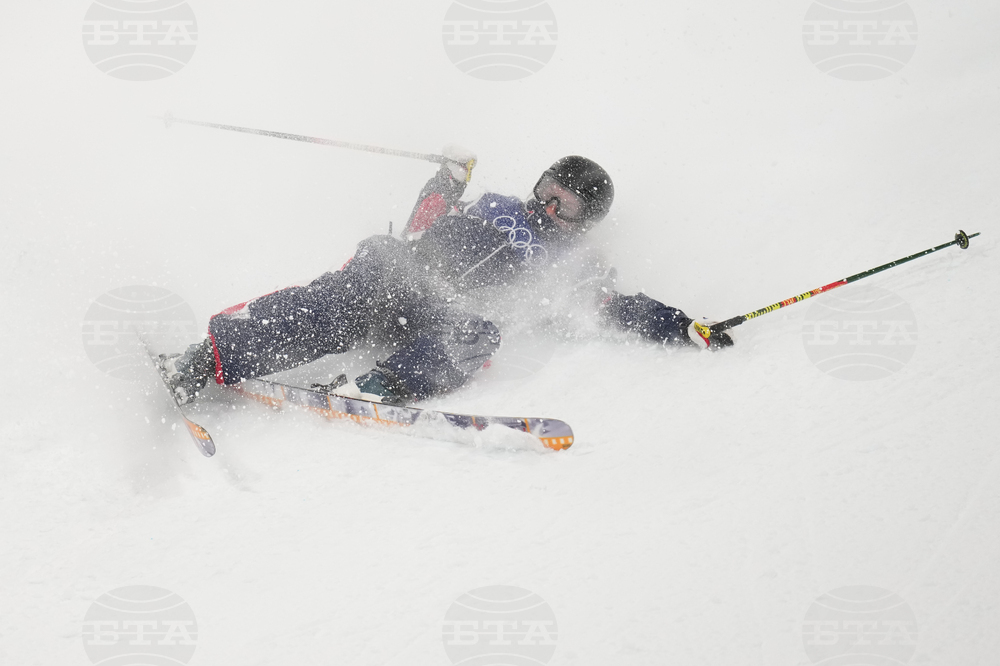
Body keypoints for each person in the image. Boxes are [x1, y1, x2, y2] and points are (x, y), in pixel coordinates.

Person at [159, 151, 733, 406]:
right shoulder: (497, 203)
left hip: (446, 310)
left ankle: (383, 384)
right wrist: (447, 178)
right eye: (548, 193)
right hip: (407, 272)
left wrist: (679, 325)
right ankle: (206, 357)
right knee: (334, 305)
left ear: (585, 223)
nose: (549, 209)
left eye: (567, 208)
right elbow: (425, 224)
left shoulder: (570, 265)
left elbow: (610, 304)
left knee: (479, 333)